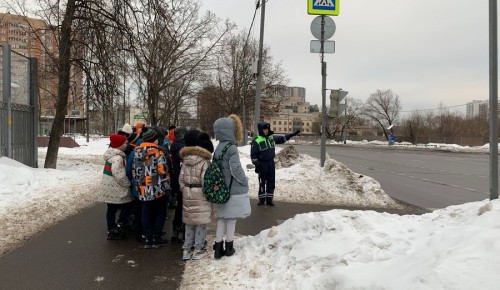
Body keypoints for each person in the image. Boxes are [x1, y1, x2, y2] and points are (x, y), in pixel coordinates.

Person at [212, 114, 251, 259]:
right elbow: (236, 170)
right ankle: (229, 247)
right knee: (231, 219)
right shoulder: (231, 148)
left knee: (222, 219)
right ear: (230, 130)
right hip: (232, 189)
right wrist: (244, 180)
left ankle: (217, 248)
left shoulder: (218, 148)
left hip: (221, 189)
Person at [178, 130, 214, 260]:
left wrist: (185, 188)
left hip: (187, 193)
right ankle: (198, 248)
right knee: (201, 222)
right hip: (200, 194)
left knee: (189, 222)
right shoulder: (205, 162)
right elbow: (206, 181)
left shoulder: (185, 160)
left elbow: (181, 178)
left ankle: (187, 249)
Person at [133, 128, 170, 248]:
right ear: (154, 140)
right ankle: (156, 237)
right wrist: (167, 187)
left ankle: (147, 238)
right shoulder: (158, 152)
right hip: (157, 189)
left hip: (143, 188)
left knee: (146, 212)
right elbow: (163, 171)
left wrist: (138, 186)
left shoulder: (137, 152)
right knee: (161, 212)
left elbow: (135, 171)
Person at [251, 122, 300, 206]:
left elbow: (282, 139)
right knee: (262, 182)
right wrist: (257, 165)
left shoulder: (271, 138)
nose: (266, 131)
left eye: (267, 129)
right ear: (260, 130)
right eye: (264, 129)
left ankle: (269, 200)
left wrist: (291, 135)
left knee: (271, 181)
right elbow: (253, 155)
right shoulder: (256, 141)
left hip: (271, 163)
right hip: (262, 164)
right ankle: (262, 200)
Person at [98, 134, 133, 240]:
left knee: (111, 208)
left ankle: (111, 228)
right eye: (125, 143)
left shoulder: (111, 155)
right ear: (119, 145)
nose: (127, 145)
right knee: (127, 205)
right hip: (116, 187)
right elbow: (119, 175)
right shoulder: (118, 158)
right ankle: (119, 225)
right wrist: (128, 183)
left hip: (110, 187)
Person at [170, 127, 187, 242]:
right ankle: (182, 231)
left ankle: (176, 230)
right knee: (184, 206)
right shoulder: (183, 148)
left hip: (176, 179)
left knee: (180, 206)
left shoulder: (174, 145)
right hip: (183, 180)